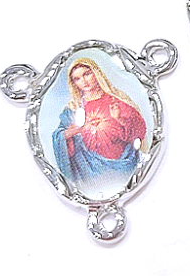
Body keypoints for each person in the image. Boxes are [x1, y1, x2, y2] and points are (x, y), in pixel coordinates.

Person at [52, 59, 147, 191]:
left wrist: (119, 119)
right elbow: (59, 137)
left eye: (86, 74)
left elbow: (139, 130)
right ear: (73, 83)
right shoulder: (73, 108)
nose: (84, 81)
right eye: (77, 79)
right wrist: (71, 132)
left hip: (124, 165)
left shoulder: (117, 99)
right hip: (87, 169)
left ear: (96, 73)